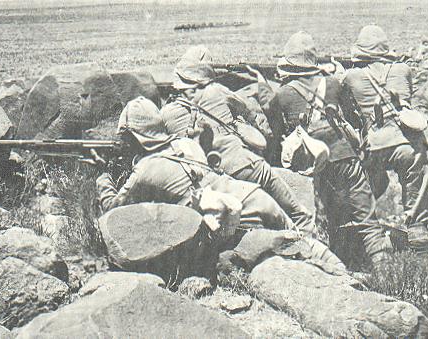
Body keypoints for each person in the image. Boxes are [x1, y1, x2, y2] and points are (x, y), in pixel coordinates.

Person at [253, 31, 391, 269]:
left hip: (312, 166)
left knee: (321, 223)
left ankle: (335, 272)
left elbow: (274, 140)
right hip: (345, 157)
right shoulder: (333, 83)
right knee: (368, 220)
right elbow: (354, 119)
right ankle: (387, 272)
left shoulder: (282, 96)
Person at [160, 45, 317, 236]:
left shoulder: (166, 112)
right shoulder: (217, 91)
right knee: (298, 214)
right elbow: (253, 118)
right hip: (246, 165)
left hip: (214, 177)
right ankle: (311, 251)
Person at [93, 96, 295, 231]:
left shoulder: (145, 170)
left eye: (126, 138)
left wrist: (103, 176)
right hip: (256, 196)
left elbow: (113, 210)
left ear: (136, 137)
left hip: (239, 216)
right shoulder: (187, 143)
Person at [340, 25, 428, 255]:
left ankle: (363, 229)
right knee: (416, 182)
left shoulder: (351, 76)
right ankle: (418, 233)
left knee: (369, 183)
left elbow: (349, 115)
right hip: (408, 143)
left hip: (375, 146)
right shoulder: (403, 69)